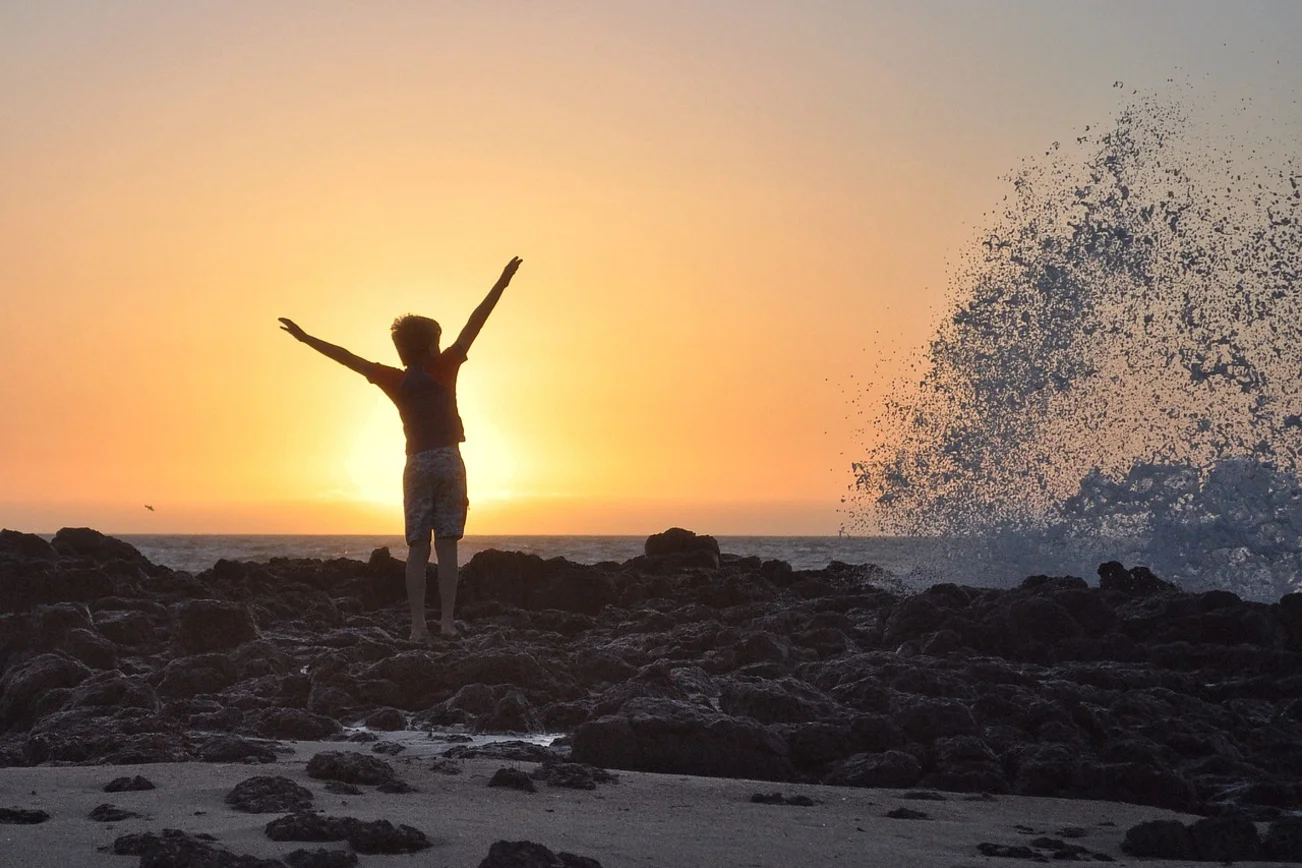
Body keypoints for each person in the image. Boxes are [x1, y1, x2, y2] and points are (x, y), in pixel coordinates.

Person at [278, 256, 523, 641]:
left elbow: (347, 357)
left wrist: (307, 339)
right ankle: (445, 622)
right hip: (448, 461)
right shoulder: (445, 367)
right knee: (447, 545)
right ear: (430, 346)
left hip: (416, 465)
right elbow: (477, 321)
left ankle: (416, 628)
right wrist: (503, 281)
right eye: (438, 341)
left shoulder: (393, 379)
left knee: (416, 548)